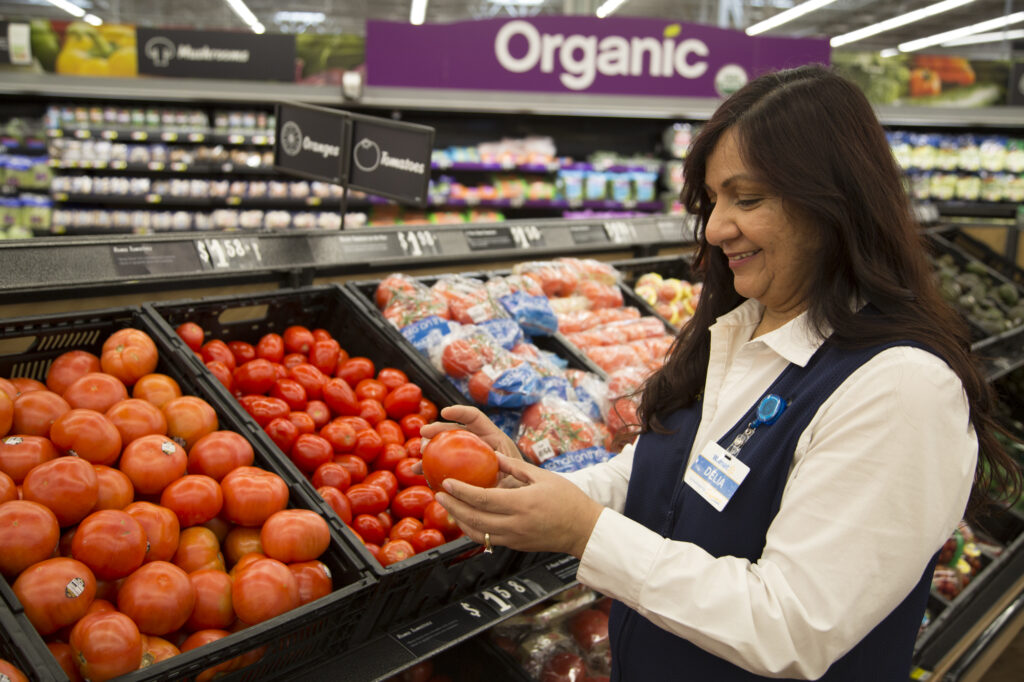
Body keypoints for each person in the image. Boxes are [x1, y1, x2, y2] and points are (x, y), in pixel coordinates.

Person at [420, 64, 1023, 681]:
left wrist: (586, 534)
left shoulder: (902, 389)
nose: (714, 227)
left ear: (833, 202)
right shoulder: (744, 329)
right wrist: (535, 487)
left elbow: (791, 625)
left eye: (748, 198)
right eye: (712, 200)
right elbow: (660, 473)